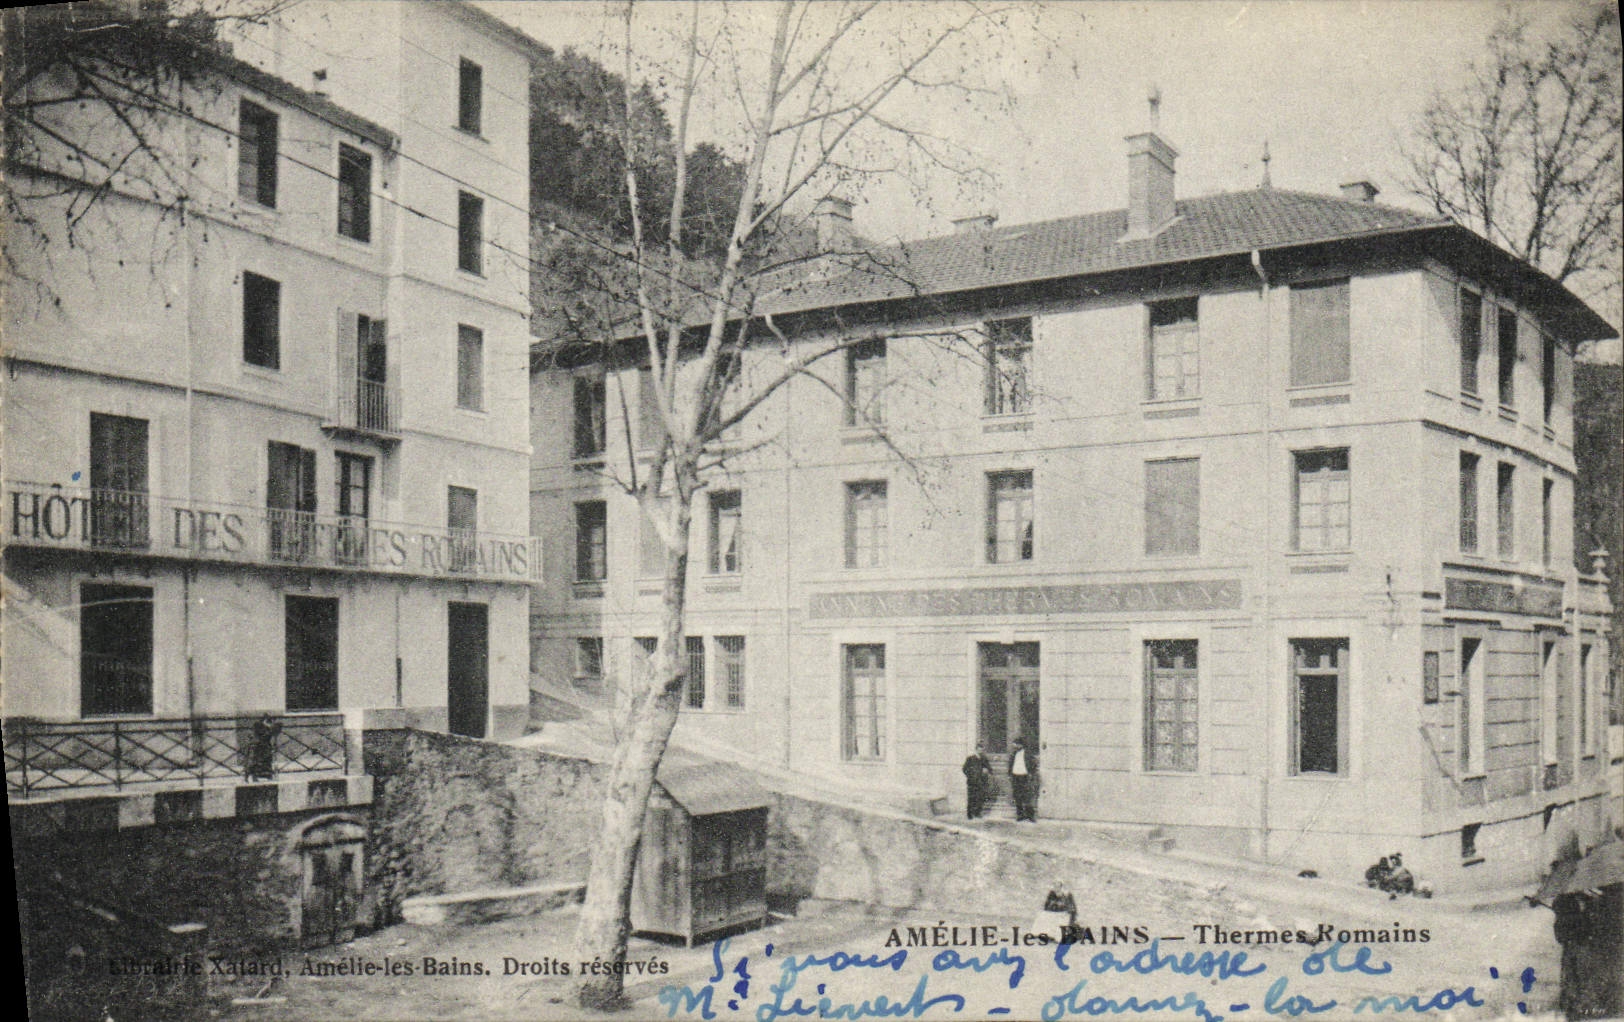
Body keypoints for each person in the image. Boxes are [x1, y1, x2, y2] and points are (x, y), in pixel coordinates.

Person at [1009, 738, 1038, 822]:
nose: (1015, 746)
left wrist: (1031, 773)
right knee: (1017, 797)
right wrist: (1009, 774)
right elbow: (1010, 764)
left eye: (1016, 745)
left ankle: (1030, 815)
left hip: (1025, 777)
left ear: (1021, 745)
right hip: (1015, 777)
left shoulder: (1028, 754)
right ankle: (1020, 815)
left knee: (1027, 797)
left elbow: (1034, 764)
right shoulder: (1014, 754)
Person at [961, 747, 992, 820]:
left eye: (981, 750)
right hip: (972, 782)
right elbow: (964, 769)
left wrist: (987, 770)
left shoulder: (984, 759)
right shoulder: (970, 758)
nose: (980, 751)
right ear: (976, 750)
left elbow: (989, 768)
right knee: (971, 797)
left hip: (981, 782)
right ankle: (969, 814)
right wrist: (970, 776)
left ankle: (977, 813)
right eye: (979, 749)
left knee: (980, 798)